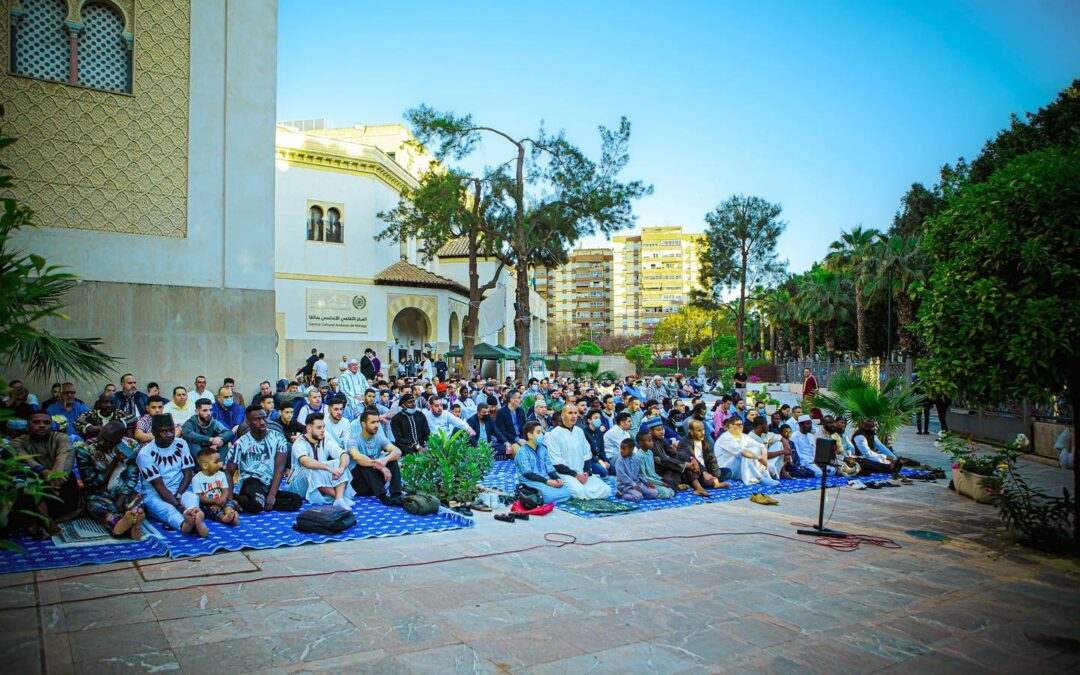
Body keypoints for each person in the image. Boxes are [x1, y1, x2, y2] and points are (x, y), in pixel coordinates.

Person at [8, 410, 84, 534]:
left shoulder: (61, 437)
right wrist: (43, 471)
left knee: (67, 476)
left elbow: (64, 456)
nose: (42, 425)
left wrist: (53, 477)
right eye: (37, 422)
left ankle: (37, 520)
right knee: (25, 479)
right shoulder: (18, 442)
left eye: (46, 422)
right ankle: (44, 519)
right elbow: (25, 459)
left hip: (59, 486)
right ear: (28, 426)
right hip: (36, 486)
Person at [138, 414, 205, 536]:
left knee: (192, 497)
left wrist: (179, 495)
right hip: (155, 495)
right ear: (154, 432)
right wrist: (178, 506)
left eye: (171, 430)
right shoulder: (145, 454)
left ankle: (193, 515)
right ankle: (185, 525)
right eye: (164, 431)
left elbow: (188, 473)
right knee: (168, 509)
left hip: (179, 490)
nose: (169, 434)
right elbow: (159, 486)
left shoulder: (181, 444)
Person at [74, 421, 143, 539]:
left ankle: (132, 518)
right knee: (97, 507)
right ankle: (122, 527)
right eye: (101, 437)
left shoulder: (129, 446)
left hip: (120, 489)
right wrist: (114, 462)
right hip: (98, 492)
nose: (101, 442)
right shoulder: (85, 449)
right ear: (100, 432)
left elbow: (131, 476)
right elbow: (92, 484)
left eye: (108, 442)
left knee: (137, 499)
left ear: (119, 441)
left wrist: (121, 499)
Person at [227, 406, 302, 513]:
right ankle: (234, 499)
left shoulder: (278, 438)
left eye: (263, 418)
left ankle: (252, 501)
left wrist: (272, 494)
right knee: (256, 505)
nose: (262, 422)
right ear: (247, 422)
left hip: (268, 485)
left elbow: (280, 468)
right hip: (251, 482)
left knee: (296, 501)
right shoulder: (240, 443)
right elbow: (229, 471)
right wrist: (229, 499)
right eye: (257, 419)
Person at [289, 412, 355, 509]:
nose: (323, 430)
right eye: (319, 428)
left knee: (339, 462)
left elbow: (343, 454)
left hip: (318, 481)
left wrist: (341, 468)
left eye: (324, 427)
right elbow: (305, 461)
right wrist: (328, 468)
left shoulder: (325, 440)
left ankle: (339, 498)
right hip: (297, 486)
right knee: (311, 468)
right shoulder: (299, 443)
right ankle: (339, 497)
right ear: (309, 429)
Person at [544, 406, 612, 500]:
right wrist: (576, 476)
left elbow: (586, 454)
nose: (574, 416)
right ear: (563, 415)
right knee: (579, 493)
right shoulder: (554, 434)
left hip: (582, 473)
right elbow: (556, 463)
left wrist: (587, 472)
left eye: (575, 413)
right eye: (570, 413)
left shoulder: (579, 431)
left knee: (606, 490)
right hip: (565, 474)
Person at [346, 409, 404, 506]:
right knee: (364, 464)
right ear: (363, 424)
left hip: (375, 482)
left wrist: (385, 460)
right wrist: (380, 466)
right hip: (359, 484)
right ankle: (383, 497)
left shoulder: (379, 437)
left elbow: (398, 452)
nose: (377, 425)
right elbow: (357, 458)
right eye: (373, 422)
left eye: (377, 422)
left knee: (392, 460)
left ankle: (396, 495)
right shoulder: (353, 440)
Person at [514, 421, 573, 504]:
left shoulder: (543, 449)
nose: (542, 435)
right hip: (529, 481)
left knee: (567, 492)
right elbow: (528, 474)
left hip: (545, 479)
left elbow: (550, 469)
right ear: (530, 435)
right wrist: (548, 482)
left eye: (541, 432)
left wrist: (557, 478)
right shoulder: (522, 452)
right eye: (538, 432)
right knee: (548, 496)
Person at [713, 416, 780, 485]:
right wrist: (759, 458)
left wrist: (764, 460)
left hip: (740, 466)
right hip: (726, 469)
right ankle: (760, 478)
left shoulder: (743, 436)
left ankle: (766, 476)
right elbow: (742, 452)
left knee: (756, 449)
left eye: (741, 424)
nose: (741, 427)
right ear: (730, 426)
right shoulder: (725, 437)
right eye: (738, 425)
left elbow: (761, 446)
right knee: (748, 453)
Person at [677, 419, 732, 489]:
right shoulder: (684, 441)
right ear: (691, 431)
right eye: (699, 431)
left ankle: (712, 481)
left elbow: (712, 458)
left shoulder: (705, 441)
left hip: (707, 469)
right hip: (695, 471)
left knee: (727, 472)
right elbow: (691, 459)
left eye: (703, 430)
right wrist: (704, 472)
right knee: (694, 474)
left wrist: (715, 475)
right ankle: (709, 483)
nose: (703, 433)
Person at [193, 447, 239, 526]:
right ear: (205, 465)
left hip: (221, 500)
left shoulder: (221, 474)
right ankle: (223, 518)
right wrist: (215, 501)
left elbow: (225, 490)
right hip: (207, 503)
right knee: (210, 510)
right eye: (216, 462)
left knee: (228, 503)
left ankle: (229, 513)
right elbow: (200, 497)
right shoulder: (196, 479)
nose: (220, 464)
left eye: (220, 461)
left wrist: (221, 500)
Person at [614, 438, 663, 503]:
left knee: (654, 493)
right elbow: (622, 477)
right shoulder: (619, 460)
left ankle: (635, 494)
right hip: (625, 485)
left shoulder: (637, 458)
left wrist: (646, 482)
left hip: (638, 484)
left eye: (624, 449)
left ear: (632, 449)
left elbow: (640, 474)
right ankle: (622, 494)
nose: (621, 451)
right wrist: (634, 486)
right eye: (621, 448)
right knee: (638, 498)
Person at [633, 431, 676, 499]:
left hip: (653, 479)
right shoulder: (639, 456)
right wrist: (661, 483)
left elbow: (653, 473)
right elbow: (643, 477)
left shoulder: (650, 452)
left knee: (672, 488)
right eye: (649, 441)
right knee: (666, 492)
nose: (652, 443)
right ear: (641, 443)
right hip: (644, 482)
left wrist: (660, 480)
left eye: (652, 441)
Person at [493, 391, 527, 458]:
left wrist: (523, 439)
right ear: (512, 400)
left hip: (522, 439)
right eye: (519, 398)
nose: (521, 400)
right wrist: (517, 439)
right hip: (509, 440)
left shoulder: (520, 411)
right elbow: (501, 432)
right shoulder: (501, 412)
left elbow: (524, 427)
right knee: (521, 455)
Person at [581, 409, 611, 477]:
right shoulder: (584, 432)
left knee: (614, 469)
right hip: (591, 460)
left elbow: (602, 449)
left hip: (600, 459)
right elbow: (587, 453)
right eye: (595, 418)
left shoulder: (599, 432)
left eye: (599, 418)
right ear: (589, 420)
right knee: (604, 471)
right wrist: (600, 461)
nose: (598, 420)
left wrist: (605, 460)